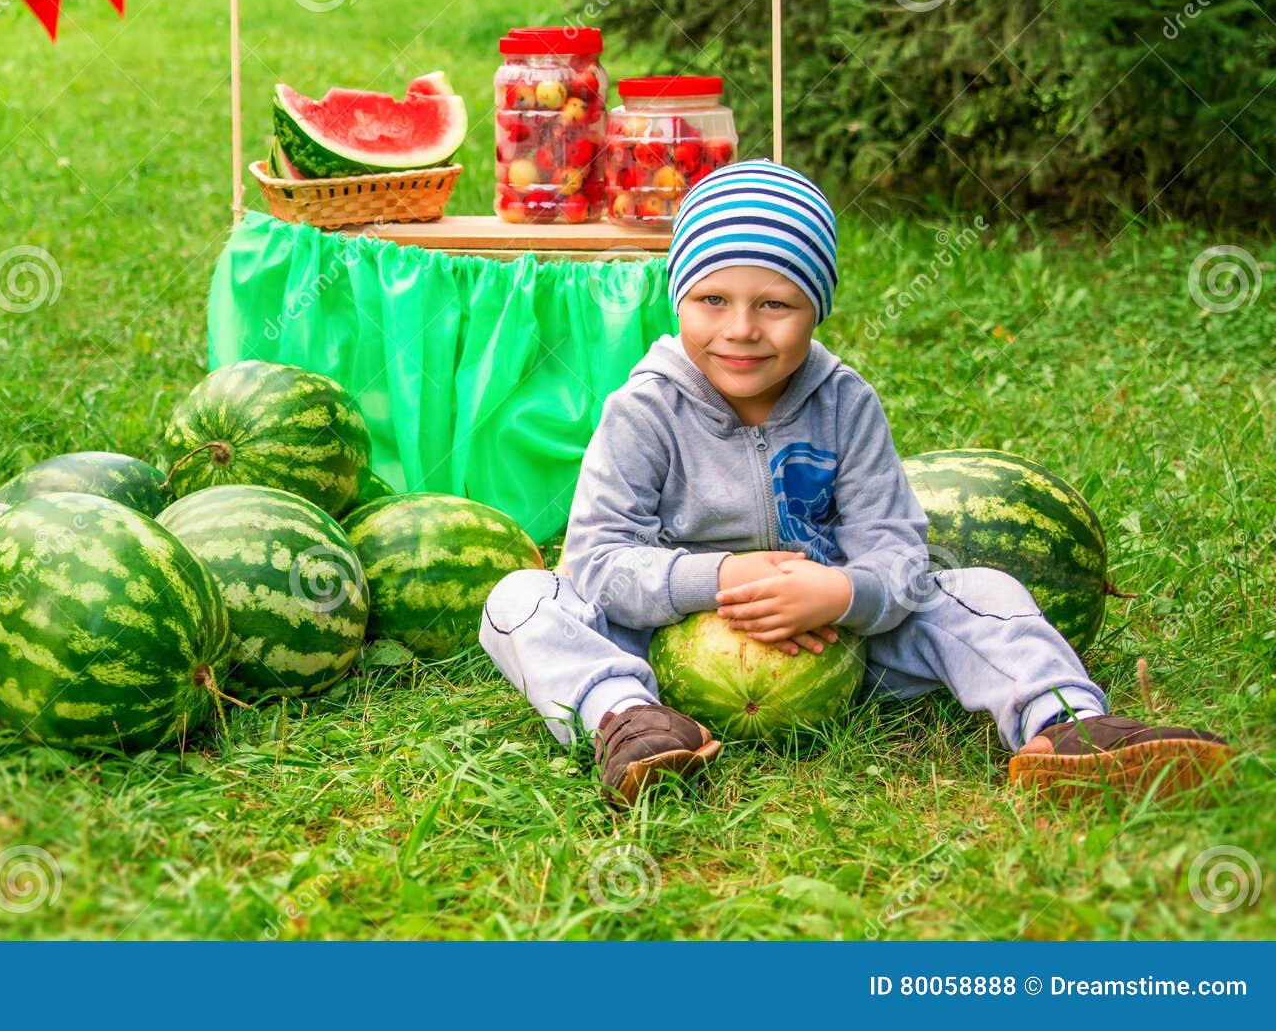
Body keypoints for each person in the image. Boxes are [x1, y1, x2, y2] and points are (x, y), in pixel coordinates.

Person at [479, 160, 1231, 808]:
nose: (741, 329)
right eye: (713, 300)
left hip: (842, 648)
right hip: (661, 652)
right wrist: (722, 577)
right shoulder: (644, 410)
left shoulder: (846, 403)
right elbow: (599, 561)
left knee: (981, 591)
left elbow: (898, 554)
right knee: (519, 601)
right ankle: (628, 720)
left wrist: (842, 593)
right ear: (678, 299)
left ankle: (1065, 724)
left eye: (775, 304)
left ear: (818, 306)